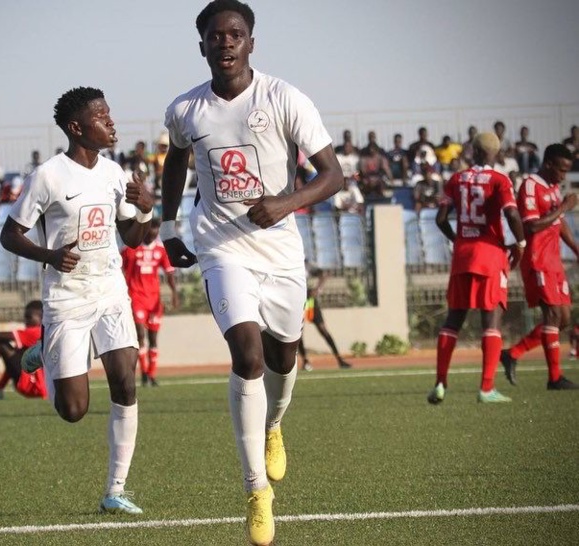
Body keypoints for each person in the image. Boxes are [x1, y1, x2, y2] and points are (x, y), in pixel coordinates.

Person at [158, 2, 343, 544]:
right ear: (203, 46)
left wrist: (287, 203)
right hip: (221, 249)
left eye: (236, 34)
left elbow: (332, 175)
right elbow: (174, 161)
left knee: (284, 356)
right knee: (248, 354)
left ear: (251, 42)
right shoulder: (185, 109)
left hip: (281, 252)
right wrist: (170, 230)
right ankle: (257, 492)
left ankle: (275, 426)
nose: (226, 43)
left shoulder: (285, 98)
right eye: (216, 36)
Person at [0, 86, 154, 516]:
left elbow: (133, 238)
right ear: (76, 127)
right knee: (74, 410)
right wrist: (48, 255)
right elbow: (9, 234)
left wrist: (145, 209)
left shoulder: (115, 174)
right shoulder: (48, 176)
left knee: (125, 380)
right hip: (66, 299)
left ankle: (116, 490)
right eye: (102, 116)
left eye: (110, 114)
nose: (111, 122)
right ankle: (45, 353)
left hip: (109, 291)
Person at [427, 133, 526, 405]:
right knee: (491, 321)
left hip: (463, 255)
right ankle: (486, 388)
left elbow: (440, 219)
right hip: (490, 255)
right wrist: (520, 243)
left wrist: (457, 239)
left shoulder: (456, 179)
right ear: (496, 151)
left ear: (473, 151)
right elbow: (512, 214)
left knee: (453, 320)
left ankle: (439, 383)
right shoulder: (500, 180)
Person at [500, 144, 579, 390]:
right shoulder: (530, 186)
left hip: (554, 261)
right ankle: (554, 378)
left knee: (564, 319)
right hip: (538, 260)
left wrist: (577, 250)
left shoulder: (554, 188)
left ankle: (513, 353)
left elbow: (560, 224)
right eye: (561, 170)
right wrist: (564, 207)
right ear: (548, 165)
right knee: (553, 315)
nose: (563, 176)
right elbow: (531, 226)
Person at [121, 218, 179, 387]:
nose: (153, 235)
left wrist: (174, 293)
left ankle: (152, 373)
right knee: (140, 336)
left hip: (154, 300)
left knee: (153, 339)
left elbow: (169, 273)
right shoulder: (130, 250)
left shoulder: (161, 251)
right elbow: (117, 269)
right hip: (136, 298)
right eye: (150, 231)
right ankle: (144, 373)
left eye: (156, 232)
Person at [297, 265, 352, 371]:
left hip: (310, 301)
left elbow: (324, 274)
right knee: (299, 332)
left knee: (323, 330)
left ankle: (339, 359)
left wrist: (317, 289)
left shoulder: (305, 264)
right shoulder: (289, 262)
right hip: (299, 301)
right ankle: (305, 361)